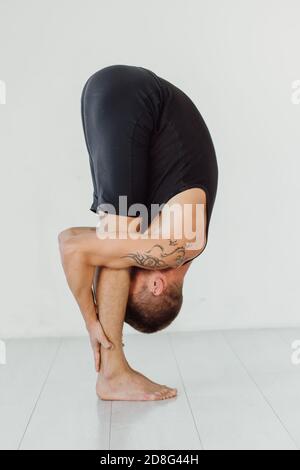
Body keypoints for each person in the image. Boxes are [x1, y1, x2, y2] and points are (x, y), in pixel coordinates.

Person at [58, 65, 218, 401]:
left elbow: (73, 240)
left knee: (115, 236)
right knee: (117, 240)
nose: (127, 264)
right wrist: (91, 321)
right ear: (157, 284)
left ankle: (113, 374)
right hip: (134, 99)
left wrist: (100, 255)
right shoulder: (176, 245)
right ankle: (113, 373)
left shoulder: (174, 235)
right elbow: (72, 247)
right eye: (132, 275)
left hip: (113, 94)